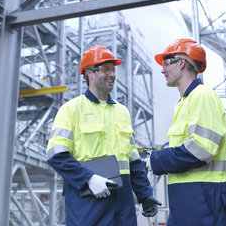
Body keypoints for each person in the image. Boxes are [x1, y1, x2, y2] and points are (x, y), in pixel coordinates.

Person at [46, 45, 161, 226]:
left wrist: (145, 194)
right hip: (88, 200)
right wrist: (88, 179)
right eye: (106, 69)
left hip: (123, 202)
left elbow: (133, 159)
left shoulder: (122, 112)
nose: (112, 74)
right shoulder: (71, 109)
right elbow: (56, 155)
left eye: (113, 70)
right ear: (89, 73)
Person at [149, 38, 226, 225]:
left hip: (206, 197)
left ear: (181, 62)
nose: (162, 70)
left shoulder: (202, 96)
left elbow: (200, 149)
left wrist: (157, 160)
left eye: (165, 63)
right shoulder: (184, 103)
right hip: (188, 199)